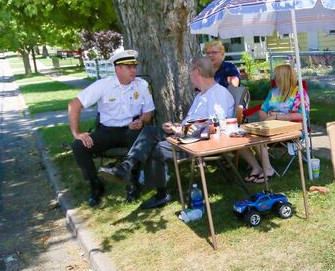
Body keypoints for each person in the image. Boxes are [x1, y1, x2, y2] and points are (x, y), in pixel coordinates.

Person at [99, 56, 234, 209]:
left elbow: (215, 126)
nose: (190, 77)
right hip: (187, 136)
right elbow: (196, 122)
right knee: (149, 131)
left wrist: (182, 130)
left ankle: (161, 194)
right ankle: (126, 167)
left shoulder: (218, 94)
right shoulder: (201, 95)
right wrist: (176, 127)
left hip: (201, 143)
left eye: (190, 73)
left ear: (197, 72)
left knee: (157, 148)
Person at [69, 49, 155, 207]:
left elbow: (149, 113)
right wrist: (77, 133)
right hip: (106, 131)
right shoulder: (103, 85)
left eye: (134, 66)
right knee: (78, 146)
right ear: (118, 69)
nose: (134, 70)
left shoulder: (142, 85)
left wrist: (141, 120)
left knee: (137, 137)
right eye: (128, 67)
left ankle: (132, 183)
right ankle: (95, 185)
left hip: (130, 129)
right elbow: (74, 105)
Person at [239, 64, 309, 183]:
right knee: (240, 136)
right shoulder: (273, 92)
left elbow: (302, 115)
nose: (274, 79)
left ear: (284, 78)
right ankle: (256, 167)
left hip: (293, 129)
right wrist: (268, 120)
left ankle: (268, 170)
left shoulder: (299, 93)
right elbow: (262, 110)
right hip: (271, 126)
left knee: (257, 137)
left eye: (276, 77)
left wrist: (278, 117)